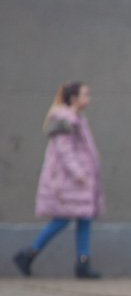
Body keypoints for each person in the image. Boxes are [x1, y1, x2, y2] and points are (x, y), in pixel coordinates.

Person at [13, 82, 106, 278]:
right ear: (73, 98)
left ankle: (83, 263)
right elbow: (65, 151)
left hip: (77, 181)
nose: (89, 98)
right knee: (62, 220)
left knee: (84, 218)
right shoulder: (65, 119)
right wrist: (79, 174)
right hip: (67, 182)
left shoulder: (77, 118)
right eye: (85, 94)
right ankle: (29, 253)